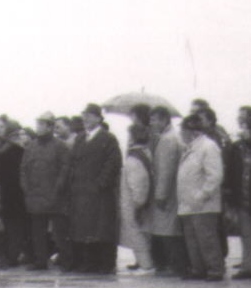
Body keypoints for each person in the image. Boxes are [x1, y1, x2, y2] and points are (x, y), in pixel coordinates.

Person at [68, 104, 122, 274]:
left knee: (102, 229)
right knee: (84, 229)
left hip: (100, 193)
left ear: (99, 118)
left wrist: (101, 183)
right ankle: (88, 262)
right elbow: (73, 163)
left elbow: (113, 163)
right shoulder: (80, 139)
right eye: (84, 115)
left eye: (90, 116)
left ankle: (105, 263)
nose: (86, 119)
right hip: (80, 191)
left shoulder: (108, 139)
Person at [20, 112, 71, 271]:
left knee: (59, 231)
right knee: (38, 231)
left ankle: (67, 261)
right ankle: (40, 261)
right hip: (35, 195)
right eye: (38, 124)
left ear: (50, 127)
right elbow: (23, 169)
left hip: (55, 196)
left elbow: (65, 169)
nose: (39, 127)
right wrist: (26, 189)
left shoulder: (60, 146)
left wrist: (57, 189)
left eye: (42, 124)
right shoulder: (31, 146)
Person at [177, 116, 226, 281]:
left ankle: (215, 269)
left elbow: (214, 175)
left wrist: (202, 194)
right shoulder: (190, 148)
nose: (181, 134)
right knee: (193, 240)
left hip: (203, 204)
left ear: (192, 131)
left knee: (206, 238)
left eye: (183, 131)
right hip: (188, 203)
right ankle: (198, 268)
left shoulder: (208, 147)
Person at [148, 106, 187, 276]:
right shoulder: (169, 137)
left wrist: (160, 195)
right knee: (170, 229)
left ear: (164, 120)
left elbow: (166, 169)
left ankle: (176, 265)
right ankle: (177, 265)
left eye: (154, 119)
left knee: (168, 231)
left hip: (168, 193)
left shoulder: (167, 140)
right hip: (173, 192)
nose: (151, 123)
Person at [118, 124, 157, 274]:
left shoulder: (134, 159)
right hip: (141, 202)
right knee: (141, 234)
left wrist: (138, 204)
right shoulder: (145, 154)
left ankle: (145, 265)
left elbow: (138, 184)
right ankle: (144, 263)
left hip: (133, 203)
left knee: (137, 234)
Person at [0, 123, 29, 267]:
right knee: (17, 227)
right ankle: (14, 255)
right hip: (18, 194)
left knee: (9, 227)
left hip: (5, 194)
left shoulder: (0, 152)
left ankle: (9, 255)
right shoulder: (20, 152)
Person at [230, 114, 251, 280]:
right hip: (243, 197)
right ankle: (247, 266)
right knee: (245, 234)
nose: (244, 131)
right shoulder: (237, 148)